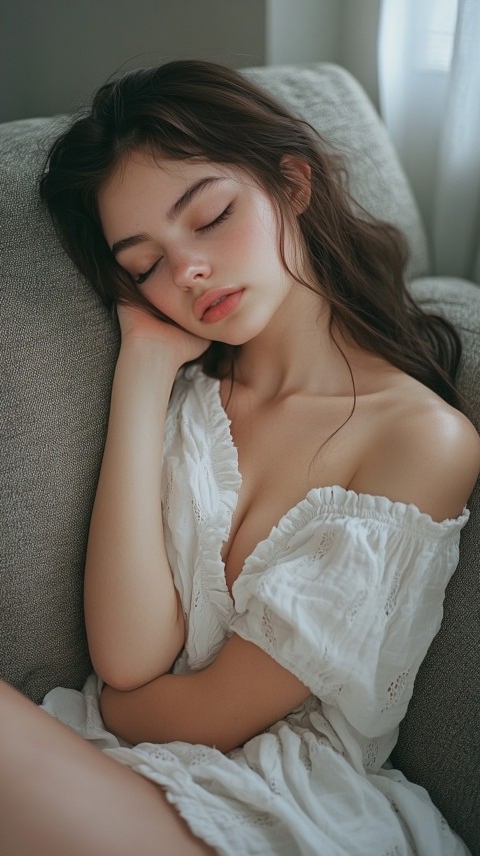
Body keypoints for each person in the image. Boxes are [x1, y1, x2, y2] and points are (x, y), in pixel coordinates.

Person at [1, 60, 479, 856]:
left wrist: (124, 706)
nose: (185, 270)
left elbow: (211, 709)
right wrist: (144, 369)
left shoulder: (421, 439)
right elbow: (128, 654)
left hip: (278, 805)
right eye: (145, 264)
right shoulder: (188, 402)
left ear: (292, 184)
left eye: (211, 215)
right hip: (131, 771)